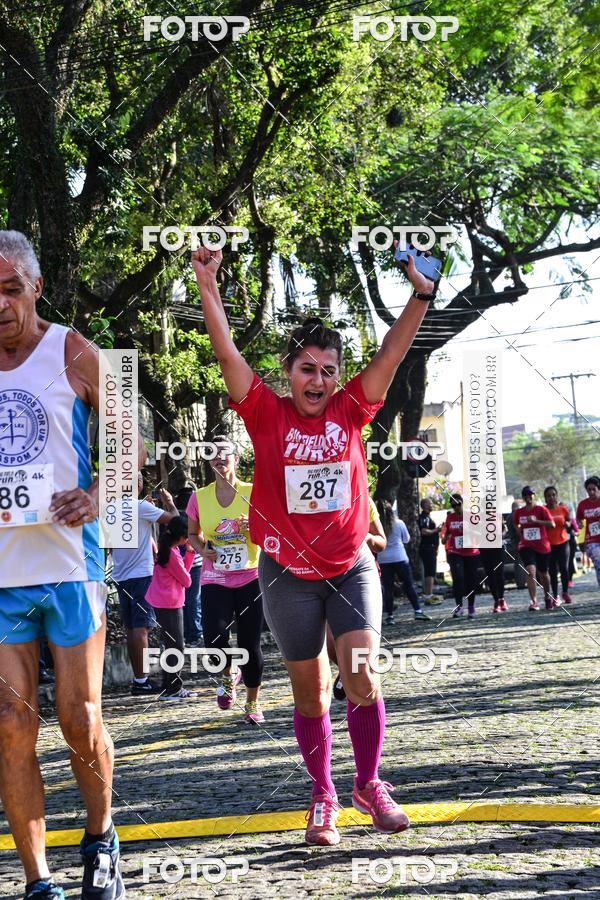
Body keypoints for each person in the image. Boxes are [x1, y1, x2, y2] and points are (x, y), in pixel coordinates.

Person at [192, 239, 434, 845]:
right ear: (288, 374)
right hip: (285, 574)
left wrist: (421, 296)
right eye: (307, 369)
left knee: (361, 674)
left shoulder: (353, 407)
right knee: (308, 693)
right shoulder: (265, 413)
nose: (320, 380)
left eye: (329, 369)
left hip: (350, 565)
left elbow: (392, 353)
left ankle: (369, 784)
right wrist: (207, 284)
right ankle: (323, 793)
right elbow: (226, 353)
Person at [0, 230, 146, 899]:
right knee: (10, 722)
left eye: (10, 288)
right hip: (2, 574)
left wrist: (97, 495)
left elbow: (128, 446)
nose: (1, 304)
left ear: (35, 288)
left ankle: (101, 834)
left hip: (69, 565)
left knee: (81, 717)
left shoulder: (74, 350)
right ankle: (38, 882)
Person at [187, 435, 265, 724]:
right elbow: (193, 533)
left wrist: (254, 524)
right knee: (214, 637)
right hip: (215, 576)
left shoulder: (253, 492)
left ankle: (252, 703)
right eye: (213, 454)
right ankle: (228, 672)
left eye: (225, 453)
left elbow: (272, 530)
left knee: (249, 642)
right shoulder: (200, 497)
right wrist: (201, 549)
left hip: (250, 575)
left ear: (237, 457)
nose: (219, 458)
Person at [111, 473, 178, 694]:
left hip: (120, 574)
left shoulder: (109, 507)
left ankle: (139, 680)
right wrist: (169, 503)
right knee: (142, 628)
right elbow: (177, 522)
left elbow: (110, 547)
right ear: (138, 483)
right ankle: (142, 681)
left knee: (131, 628)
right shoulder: (139, 506)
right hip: (141, 575)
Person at [331, 497, 386, 701]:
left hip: (357, 578)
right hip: (318, 579)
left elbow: (382, 541)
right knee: (330, 644)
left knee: (359, 649)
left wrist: (369, 539)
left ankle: (358, 677)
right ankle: (348, 672)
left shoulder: (364, 499)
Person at [145, 516, 196, 701]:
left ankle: (169, 686)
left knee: (170, 645)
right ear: (182, 536)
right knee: (177, 647)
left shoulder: (168, 551)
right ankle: (174, 688)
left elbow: (183, 576)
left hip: (164, 602)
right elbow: (187, 581)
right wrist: (189, 555)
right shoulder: (172, 554)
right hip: (170, 603)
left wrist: (189, 554)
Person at [376, 500, 431, 625]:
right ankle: (417, 611)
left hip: (383, 560)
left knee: (388, 588)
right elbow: (406, 539)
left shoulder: (376, 526)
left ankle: (390, 616)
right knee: (408, 585)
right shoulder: (399, 523)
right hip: (399, 558)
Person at [512, 486, 554, 610]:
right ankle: (533, 601)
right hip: (526, 545)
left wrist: (537, 521)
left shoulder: (541, 509)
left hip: (542, 545)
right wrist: (519, 532)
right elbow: (515, 522)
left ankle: (547, 597)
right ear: (523, 497)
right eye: (525, 495)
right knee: (530, 571)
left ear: (534, 496)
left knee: (544, 573)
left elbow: (552, 524)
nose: (528, 497)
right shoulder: (519, 512)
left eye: (530, 495)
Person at [441, 494, 480, 619]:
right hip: (455, 551)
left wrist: (468, 530)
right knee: (458, 578)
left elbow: (480, 533)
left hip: (471, 552)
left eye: (458, 504)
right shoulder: (450, 518)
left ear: (462, 503)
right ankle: (459, 607)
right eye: (453, 505)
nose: (456, 507)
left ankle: (471, 607)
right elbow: (444, 536)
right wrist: (445, 538)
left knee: (470, 581)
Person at [544, 486, 573, 605]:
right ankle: (555, 595)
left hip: (563, 542)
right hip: (549, 544)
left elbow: (570, 522)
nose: (551, 497)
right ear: (545, 498)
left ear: (557, 496)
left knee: (564, 568)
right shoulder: (543, 510)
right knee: (552, 571)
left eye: (553, 495)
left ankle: (565, 592)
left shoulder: (563, 509)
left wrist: (568, 523)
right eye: (549, 495)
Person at [479, 518, 507, 614]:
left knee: (499, 574)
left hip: (498, 548)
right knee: (490, 575)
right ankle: (496, 601)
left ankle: (501, 599)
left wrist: (501, 536)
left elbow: (504, 529)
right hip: (485, 549)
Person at [576, 476, 600, 588]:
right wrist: (580, 523)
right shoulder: (583, 505)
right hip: (592, 539)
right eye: (589, 490)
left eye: (593, 489)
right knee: (598, 562)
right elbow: (579, 518)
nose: (591, 492)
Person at [418, 498, 442, 603]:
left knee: (431, 571)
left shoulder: (427, 517)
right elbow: (423, 531)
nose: (432, 505)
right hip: (427, 548)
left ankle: (429, 593)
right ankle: (429, 595)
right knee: (430, 571)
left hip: (431, 548)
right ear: (424, 506)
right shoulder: (424, 518)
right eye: (430, 503)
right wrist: (437, 530)